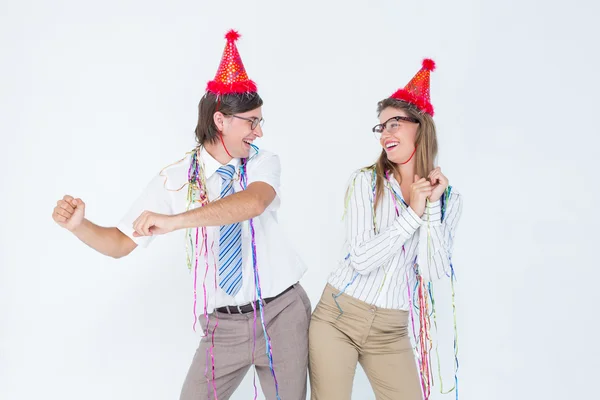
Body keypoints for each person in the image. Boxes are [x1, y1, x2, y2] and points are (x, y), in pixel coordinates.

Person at [51, 30, 310, 400]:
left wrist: (175, 221)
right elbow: (120, 243)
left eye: (260, 121)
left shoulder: (262, 162)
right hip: (224, 327)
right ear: (221, 121)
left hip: (282, 313)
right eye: (251, 121)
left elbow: (253, 204)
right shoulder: (175, 179)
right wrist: (80, 227)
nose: (259, 130)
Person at [308, 59, 463, 400]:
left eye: (395, 124)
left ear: (421, 127)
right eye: (381, 127)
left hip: (391, 331)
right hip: (338, 317)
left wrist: (432, 206)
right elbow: (362, 259)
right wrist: (413, 213)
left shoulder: (448, 199)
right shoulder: (366, 182)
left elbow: (432, 269)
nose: (386, 135)